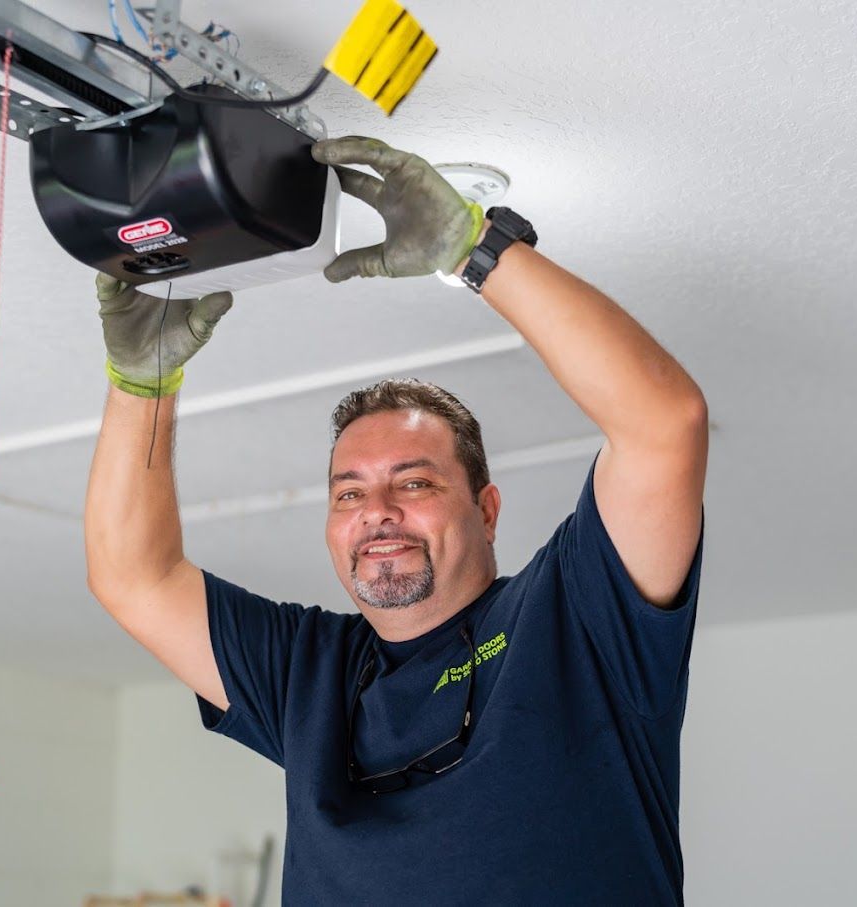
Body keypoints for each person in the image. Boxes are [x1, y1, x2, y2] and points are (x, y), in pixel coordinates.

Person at [86, 137, 708, 905]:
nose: (375, 511)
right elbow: (133, 577)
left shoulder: (576, 622)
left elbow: (665, 426)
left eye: (412, 481)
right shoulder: (307, 674)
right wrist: (141, 384)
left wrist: (473, 247)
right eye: (348, 492)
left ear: (485, 507)